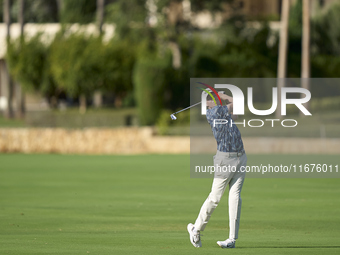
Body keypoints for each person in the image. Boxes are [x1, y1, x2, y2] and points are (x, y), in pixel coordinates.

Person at [187, 92, 247, 248]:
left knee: (235, 198)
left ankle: (232, 240)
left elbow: (239, 110)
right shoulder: (214, 113)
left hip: (241, 157)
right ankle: (196, 229)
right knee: (215, 198)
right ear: (207, 104)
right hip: (225, 160)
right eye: (211, 99)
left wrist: (223, 96)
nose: (215, 100)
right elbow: (237, 104)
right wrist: (225, 96)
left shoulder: (224, 113)